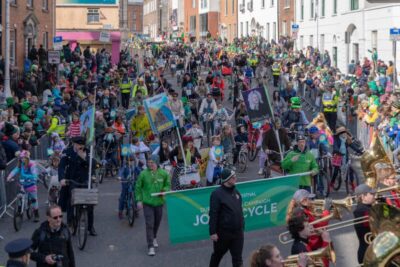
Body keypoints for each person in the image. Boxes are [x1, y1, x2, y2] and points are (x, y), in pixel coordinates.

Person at [58, 136, 97, 236]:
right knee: (70, 200)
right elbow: (61, 166)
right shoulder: (67, 151)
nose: (80, 146)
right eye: (78, 144)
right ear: (74, 144)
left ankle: (90, 227)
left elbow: (94, 165)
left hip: (85, 181)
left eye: (82, 144)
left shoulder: (88, 151)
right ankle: (70, 223)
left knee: (90, 203)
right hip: (71, 180)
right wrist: (62, 178)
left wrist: (84, 157)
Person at [135, 155, 171, 256]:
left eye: (152, 162)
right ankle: (150, 246)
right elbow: (138, 187)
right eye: (149, 162)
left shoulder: (163, 173)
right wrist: (139, 200)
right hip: (148, 203)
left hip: (159, 203)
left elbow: (168, 185)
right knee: (149, 224)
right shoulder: (143, 174)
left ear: (157, 163)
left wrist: (165, 191)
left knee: (157, 222)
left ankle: (154, 236)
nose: (150, 164)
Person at [209, 169, 244, 267]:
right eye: (233, 177)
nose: (235, 178)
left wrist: (242, 225)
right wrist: (212, 232)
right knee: (217, 255)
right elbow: (213, 213)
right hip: (223, 234)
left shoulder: (236, 192)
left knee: (238, 259)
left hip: (238, 233)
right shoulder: (216, 194)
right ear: (226, 179)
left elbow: (239, 209)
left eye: (235, 176)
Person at [7, 150, 40, 222]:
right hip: (23, 184)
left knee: (34, 199)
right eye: (21, 158)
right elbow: (15, 170)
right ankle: (19, 211)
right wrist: (9, 177)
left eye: (24, 158)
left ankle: (36, 214)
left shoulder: (32, 164)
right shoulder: (21, 164)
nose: (22, 160)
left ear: (27, 158)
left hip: (31, 184)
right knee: (20, 196)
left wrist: (27, 177)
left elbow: (34, 175)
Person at [353, 184, 376, 264]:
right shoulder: (361, 211)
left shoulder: (367, 207)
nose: (374, 196)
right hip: (367, 253)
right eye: (371, 194)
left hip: (370, 251)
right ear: (363, 197)